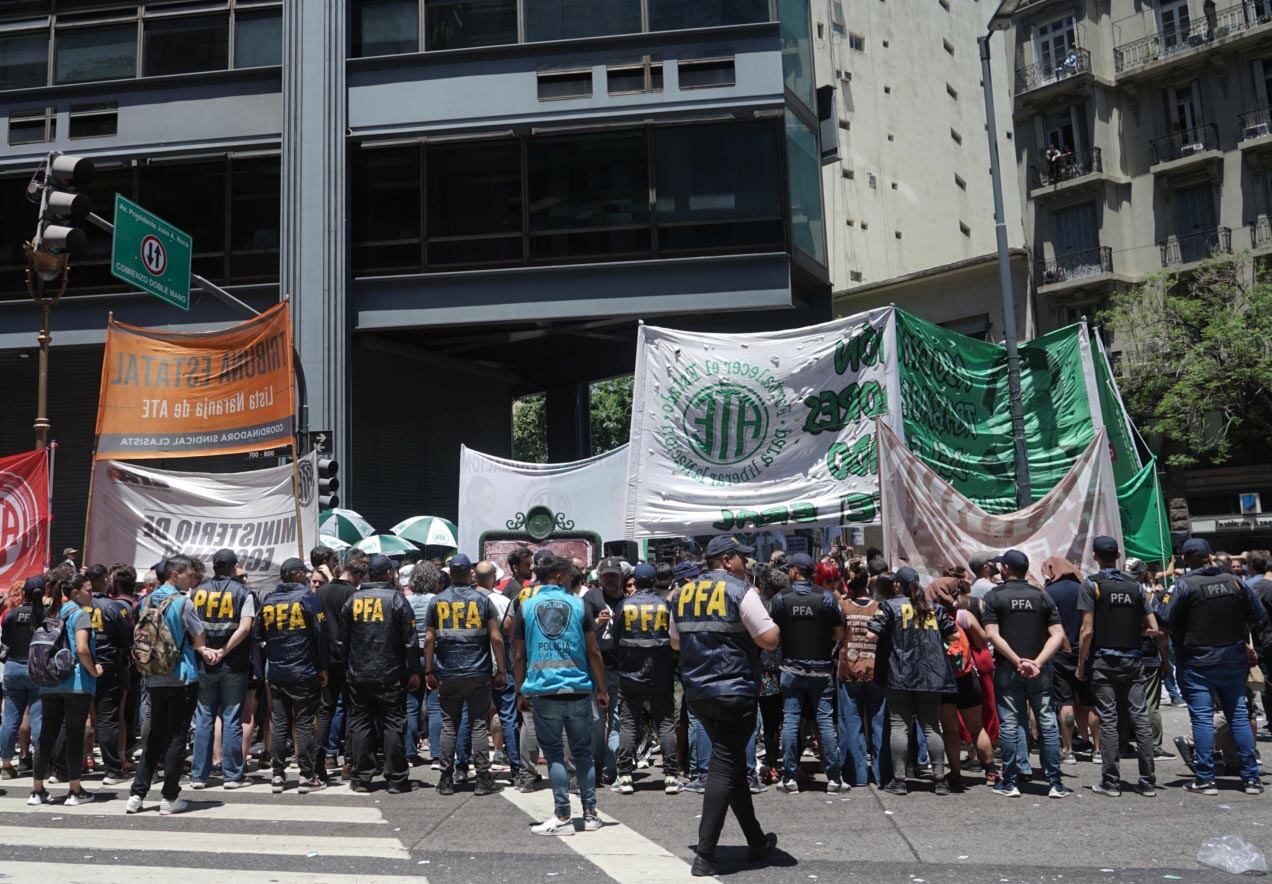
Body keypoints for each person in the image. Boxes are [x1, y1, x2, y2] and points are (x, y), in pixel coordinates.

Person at [670, 536, 779, 878]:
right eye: (742, 558)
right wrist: (776, 625)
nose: (746, 564)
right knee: (723, 766)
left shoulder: (682, 593)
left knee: (729, 764)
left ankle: (756, 840)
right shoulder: (741, 590)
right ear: (728, 560)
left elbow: (675, 641)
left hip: (699, 691)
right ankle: (705, 853)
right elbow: (769, 638)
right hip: (734, 688)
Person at [1158, 538, 1267, 795]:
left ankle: (1205, 778)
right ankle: (1251, 778)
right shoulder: (1235, 582)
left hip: (1197, 662)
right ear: (1209, 556)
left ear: (1186, 558)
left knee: (1202, 719)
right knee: (1239, 716)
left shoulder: (1184, 585)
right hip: (1232, 658)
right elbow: (1258, 614)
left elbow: (1165, 617)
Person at [514, 554, 608, 835]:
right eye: (567, 575)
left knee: (554, 755)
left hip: (544, 691)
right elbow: (594, 651)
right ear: (557, 576)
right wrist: (601, 688)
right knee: (583, 754)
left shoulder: (527, 606)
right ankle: (590, 815)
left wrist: (520, 690)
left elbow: (518, 654)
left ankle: (563, 817)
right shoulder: (578, 605)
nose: (571, 579)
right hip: (578, 689)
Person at [127, 555, 214, 815]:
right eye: (189, 574)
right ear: (175, 574)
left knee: (153, 736)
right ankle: (169, 797)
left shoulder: (145, 601)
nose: (192, 579)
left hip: (152, 675)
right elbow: (199, 636)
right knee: (177, 737)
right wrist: (203, 649)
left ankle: (136, 795)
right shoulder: (183, 603)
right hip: (180, 675)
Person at [982, 549, 1071, 799]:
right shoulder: (1041, 596)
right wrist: (1038, 662)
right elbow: (1058, 634)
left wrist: (1018, 661)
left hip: (1008, 669)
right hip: (1040, 670)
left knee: (1010, 724)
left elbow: (992, 634)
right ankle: (1055, 782)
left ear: (1006, 569)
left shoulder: (994, 596)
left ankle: (1010, 782)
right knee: (1047, 722)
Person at [1076, 535, 1159, 797]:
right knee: (1140, 718)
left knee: (1109, 721)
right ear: (1119, 555)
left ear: (1096, 557)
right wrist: (1133, 633)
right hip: (1133, 659)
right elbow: (1154, 629)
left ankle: (1111, 783)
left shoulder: (1092, 584)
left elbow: (1086, 631)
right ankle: (1147, 782)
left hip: (1103, 660)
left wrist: (1081, 663)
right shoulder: (1135, 587)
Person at [867, 567, 957, 796]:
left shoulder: (889, 607)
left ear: (897, 585)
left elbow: (871, 635)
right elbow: (953, 635)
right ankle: (939, 780)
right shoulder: (934, 608)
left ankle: (899, 780)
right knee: (931, 726)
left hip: (899, 675)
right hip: (931, 676)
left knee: (899, 726)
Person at [424, 553, 505, 797]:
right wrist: (501, 670)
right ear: (469, 573)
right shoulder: (482, 601)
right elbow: (496, 638)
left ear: (449, 574)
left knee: (450, 723)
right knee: (478, 724)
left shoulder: (437, 602)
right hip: (478, 671)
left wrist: (429, 669)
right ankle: (482, 778)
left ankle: (446, 779)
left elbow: (429, 638)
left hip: (448, 672)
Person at [341, 554, 421, 794]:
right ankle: (396, 778)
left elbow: (342, 641)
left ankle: (361, 777)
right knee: (393, 724)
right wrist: (414, 671)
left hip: (359, 673)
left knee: (361, 723)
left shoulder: (353, 600)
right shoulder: (396, 599)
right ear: (388, 574)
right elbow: (410, 640)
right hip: (391, 673)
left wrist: (349, 666)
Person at [768, 552, 845, 794]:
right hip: (821, 669)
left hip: (791, 667)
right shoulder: (826, 598)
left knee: (791, 721)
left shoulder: (781, 598)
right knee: (824, 722)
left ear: (794, 571)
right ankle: (834, 779)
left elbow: (773, 632)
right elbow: (839, 633)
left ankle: (789, 778)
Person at [29, 571, 100, 807]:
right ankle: (74, 789)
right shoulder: (80, 615)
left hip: (50, 682)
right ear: (76, 592)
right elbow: (81, 649)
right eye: (89, 590)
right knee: (74, 735)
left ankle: (37, 790)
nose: (92, 594)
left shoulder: (53, 613)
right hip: (75, 683)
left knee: (47, 735)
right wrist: (94, 670)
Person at [259, 557, 329, 793]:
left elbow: (260, 634)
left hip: (278, 669)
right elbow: (320, 635)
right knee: (303, 722)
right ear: (299, 575)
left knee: (279, 722)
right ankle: (307, 775)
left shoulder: (269, 600)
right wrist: (323, 667)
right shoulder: (308, 598)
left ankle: (278, 775)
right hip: (304, 669)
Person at [189, 549, 256, 789]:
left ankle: (199, 776)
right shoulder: (244, 593)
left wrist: (205, 649)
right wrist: (224, 651)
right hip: (233, 664)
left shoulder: (196, 592)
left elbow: (190, 625)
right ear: (234, 567)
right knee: (231, 718)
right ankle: (232, 775)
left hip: (204, 663)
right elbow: (246, 627)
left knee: (204, 718)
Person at [613, 562, 678, 795]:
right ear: (653, 581)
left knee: (629, 723)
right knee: (665, 722)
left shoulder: (624, 605)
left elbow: (615, 640)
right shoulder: (665, 605)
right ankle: (671, 776)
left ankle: (624, 776)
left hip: (630, 673)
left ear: (635, 581)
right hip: (661, 673)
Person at [315, 551, 365, 783]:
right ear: (355, 574)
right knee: (353, 710)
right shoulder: (354, 595)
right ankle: (350, 762)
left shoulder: (321, 592)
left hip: (326, 659)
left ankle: (321, 760)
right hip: (349, 659)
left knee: (326, 709)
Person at [837, 568, 888, 787]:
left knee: (852, 723)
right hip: (876, 670)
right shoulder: (880, 608)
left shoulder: (844, 607)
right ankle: (882, 775)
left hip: (850, 669)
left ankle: (856, 775)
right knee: (878, 724)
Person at [1042, 556, 1096, 764]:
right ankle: (1097, 749)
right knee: (1090, 702)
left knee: (1065, 702)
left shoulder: (1048, 593)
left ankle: (1068, 749)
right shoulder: (1085, 588)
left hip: (1059, 653)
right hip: (1085, 651)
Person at [90, 563, 134, 786]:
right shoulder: (115, 607)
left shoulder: (75, 607)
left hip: (82, 665)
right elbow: (128, 639)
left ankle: (61, 767)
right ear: (105, 580)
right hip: (110, 665)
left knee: (78, 716)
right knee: (108, 719)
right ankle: (112, 770)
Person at [585, 556, 627, 787]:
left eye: (614, 575)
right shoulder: (591, 598)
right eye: (606, 576)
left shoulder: (626, 600)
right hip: (595, 670)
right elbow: (580, 629)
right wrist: (597, 622)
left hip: (619, 668)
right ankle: (596, 768)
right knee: (596, 722)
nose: (610, 580)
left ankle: (614, 769)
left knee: (617, 721)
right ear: (600, 577)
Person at [1, 576, 44, 779]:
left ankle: (6, 763)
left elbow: (6, 640)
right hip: (36, 669)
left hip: (12, 667)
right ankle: (41, 763)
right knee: (38, 718)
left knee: (10, 719)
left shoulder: (12, 614)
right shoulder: (44, 615)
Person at [405, 562, 438, 767]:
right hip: (432, 654)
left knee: (411, 705)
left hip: (410, 656)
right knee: (435, 706)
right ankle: (436, 754)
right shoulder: (436, 601)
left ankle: (409, 753)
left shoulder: (405, 601)